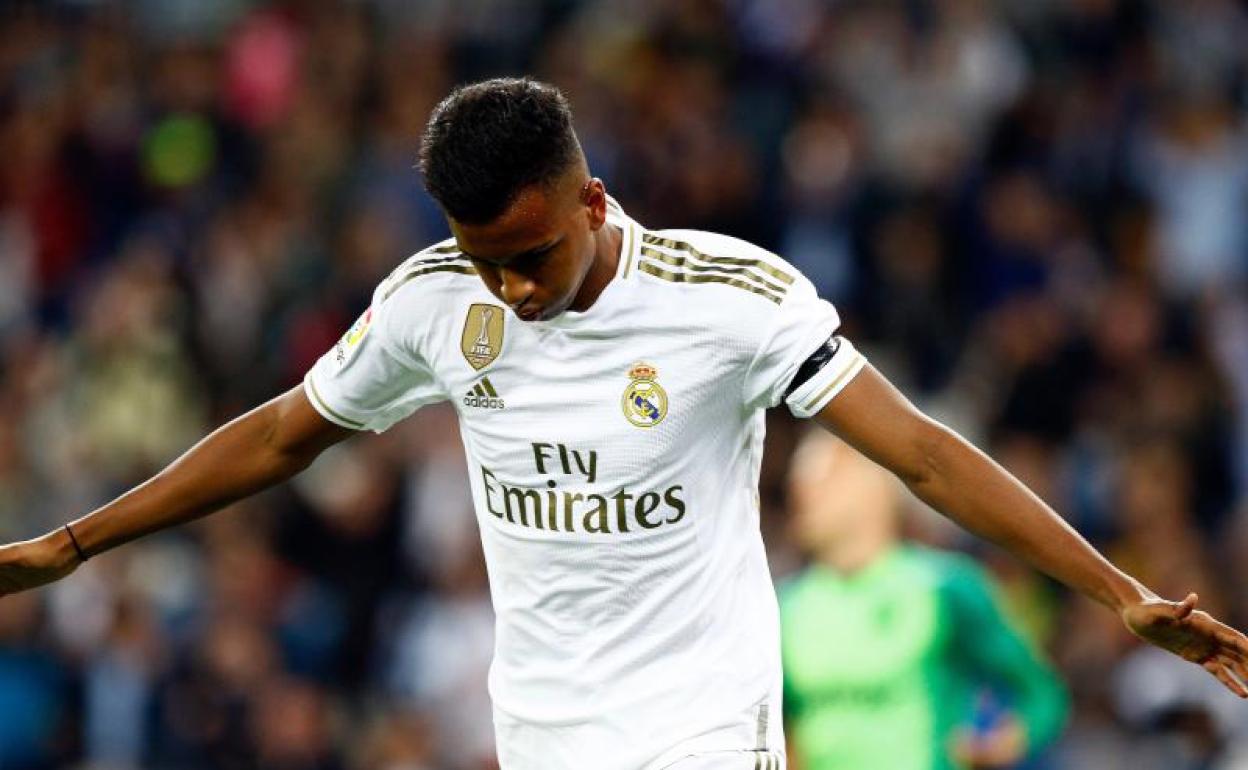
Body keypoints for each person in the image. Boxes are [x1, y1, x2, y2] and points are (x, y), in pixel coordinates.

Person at [0, 78, 1244, 770]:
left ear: (592, 198)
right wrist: (75, 541)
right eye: (486, 260)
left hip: (703, 722)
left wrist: (1115, 588)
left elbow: (919, 449)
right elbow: (284, 432)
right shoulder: (437, 303)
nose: (513, 288)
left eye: (533, 253)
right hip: (540, 725)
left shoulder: (726, 298)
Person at [781, 430, 1068, 770]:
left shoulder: (945, 589)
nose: (803, 485)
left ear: (876, 486)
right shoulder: (784, 606)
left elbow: (1042, 693)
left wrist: (1003, 744)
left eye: (828, 474)